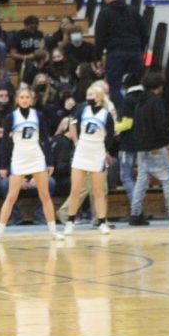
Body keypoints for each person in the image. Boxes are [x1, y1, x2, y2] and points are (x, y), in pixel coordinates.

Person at [0, 88, 63, 242]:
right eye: (22, 97)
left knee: (45, 195)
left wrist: (50, 161)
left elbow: (45, 139)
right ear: (17, 100)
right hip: (19, 158)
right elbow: (5, 143)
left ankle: (53, 231)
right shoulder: (11, 117)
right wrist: (3, 166)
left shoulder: (38, 115)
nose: (25, 99)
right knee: (11, 196)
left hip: (37, 157)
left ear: (31, 100)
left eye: (27, 97)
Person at [128, 73, 169, 226]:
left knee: (141, 181)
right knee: (166, 179)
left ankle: (135, 214)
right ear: (158, 87)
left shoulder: (139, 102)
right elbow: (160, 125)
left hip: (141, 147)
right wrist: (167, 140)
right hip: (155, 146)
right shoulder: (156, 102)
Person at [64, 84, 116, 235]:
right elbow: (72, 125)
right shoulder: (82, 109)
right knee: (75, 189)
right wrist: (75, 142)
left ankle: (101, 222)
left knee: (98, 191)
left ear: (99, 97)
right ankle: (70, 221)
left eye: (91, 94)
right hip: (81, 152)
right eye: (88, 94)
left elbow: (111, 136)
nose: (88, 97)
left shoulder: (106, 115)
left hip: (97, 153)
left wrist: (105, 150)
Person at [94, 0, 147, 107]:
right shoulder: (132, 10)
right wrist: (140, 49)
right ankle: (135, 112)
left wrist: (98, 58)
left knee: (115, 86)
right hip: (134, 52)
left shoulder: (105, 13)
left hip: (115, 53)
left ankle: (121, 115)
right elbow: (144, 32)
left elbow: (99, 38)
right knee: (135, 85)